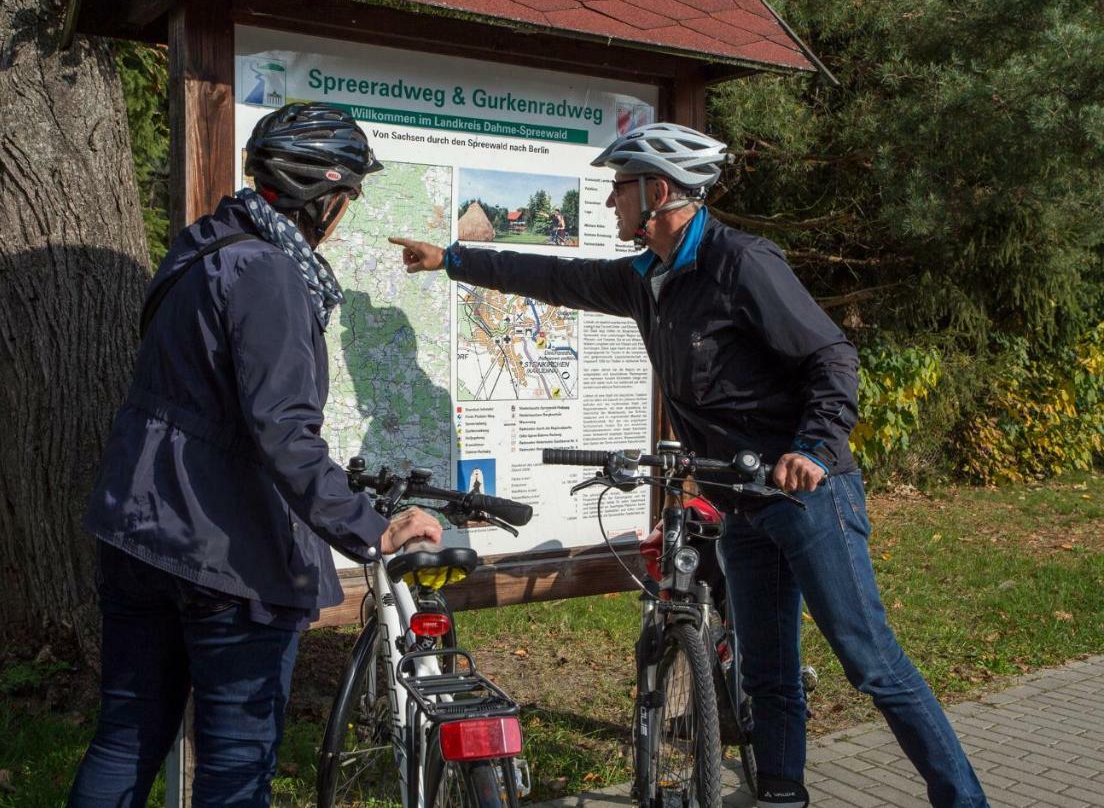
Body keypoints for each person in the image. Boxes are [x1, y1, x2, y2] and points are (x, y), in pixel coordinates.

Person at [391, 123, 988, 808]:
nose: (612, 201)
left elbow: (832, 358)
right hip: (739, 506)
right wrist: (452, 259)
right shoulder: (651, 277)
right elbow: (559, 277)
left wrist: (815, 448)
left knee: (873, 664)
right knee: (768, 675)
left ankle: (963, 799)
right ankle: (782, 794)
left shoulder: (742, 264)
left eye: (620, 188)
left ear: (659, 191)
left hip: (806, 497)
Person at [68, 102, 441, 808]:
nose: (347, 213)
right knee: (235, 766)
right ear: (321, 195)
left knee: (126, 735)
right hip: (222, 550)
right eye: (349, 196)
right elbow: (282, 431)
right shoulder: (269, 273)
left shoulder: (202, 247)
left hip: (137, 529)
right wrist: (371, 527)